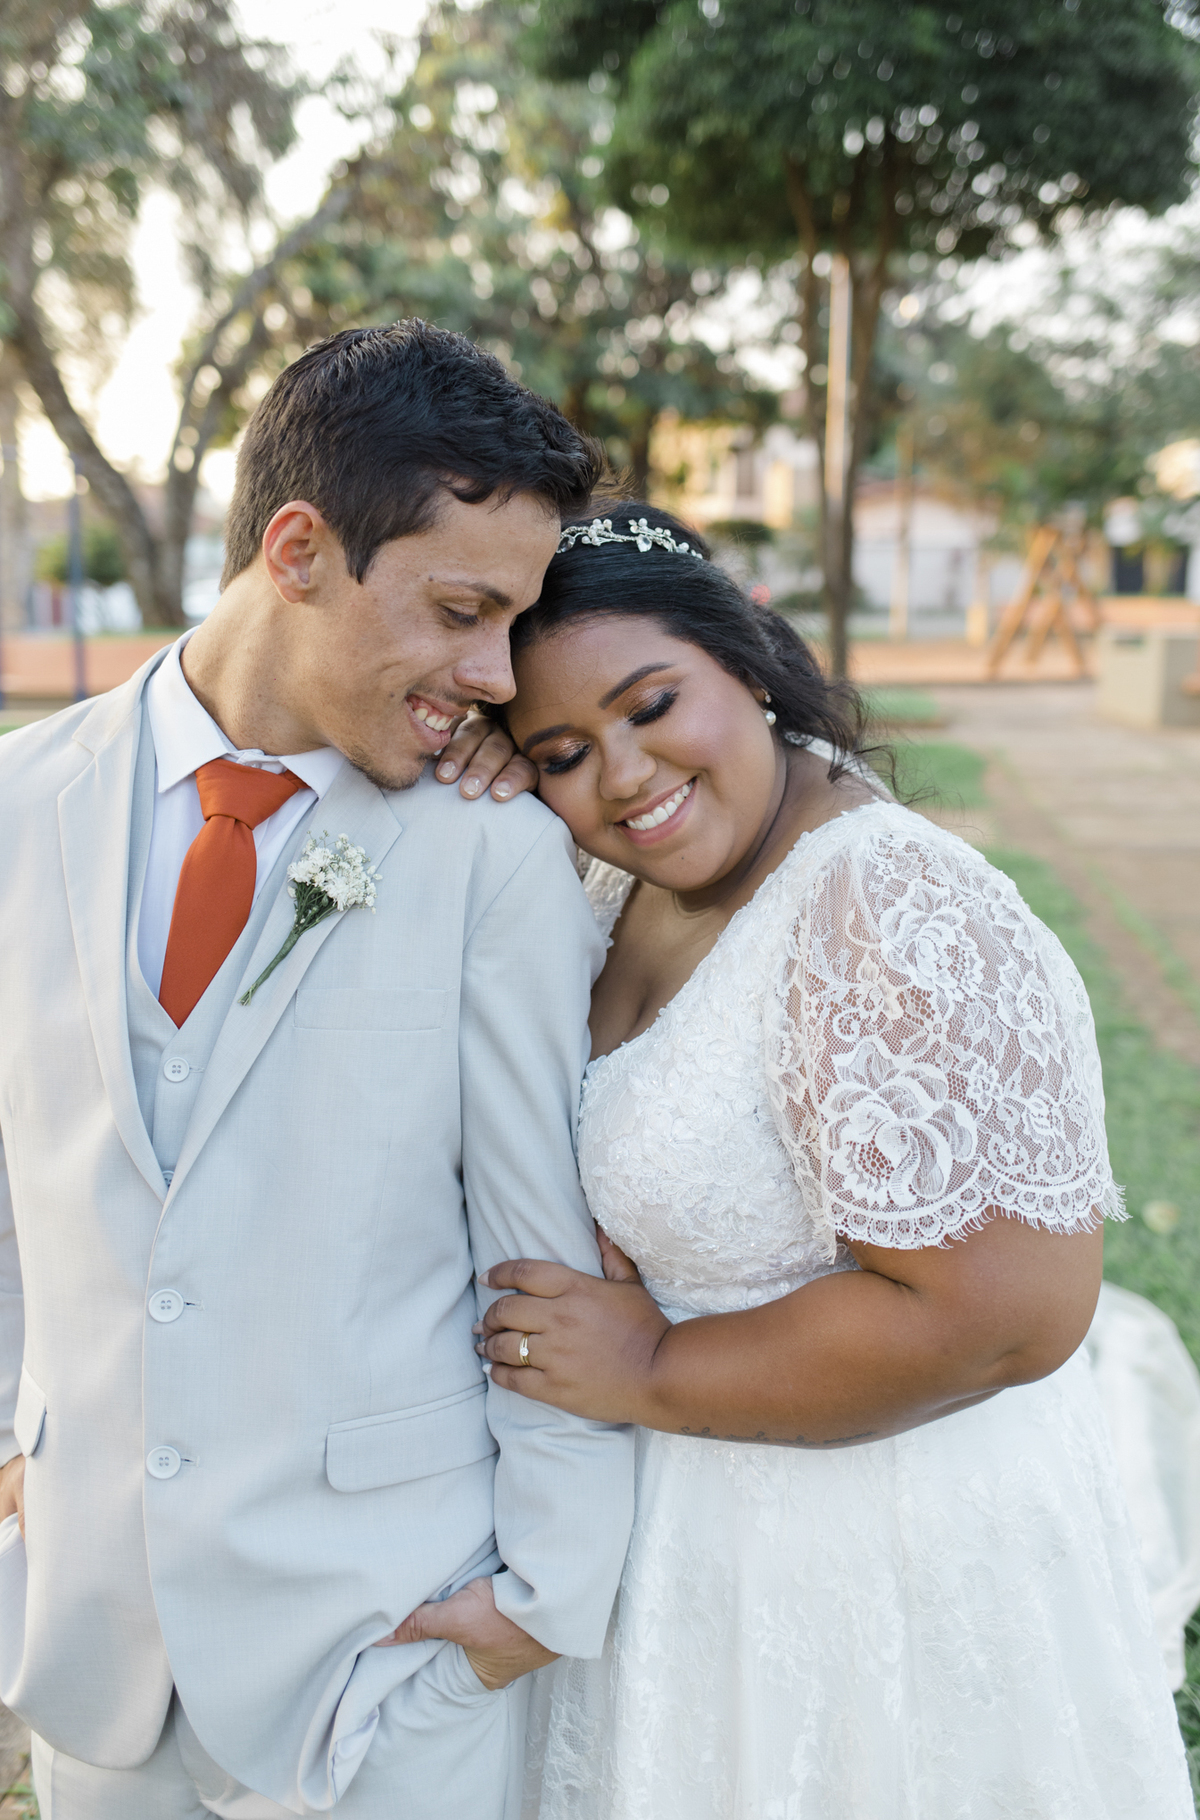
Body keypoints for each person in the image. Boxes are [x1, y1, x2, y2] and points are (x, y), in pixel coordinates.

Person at [0, 324, 634, 1820]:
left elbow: (535, 1240)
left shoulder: (492, 856)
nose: (492, 677)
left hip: (390, 1643)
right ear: (297, 549)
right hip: (99, 1647)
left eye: (512, 624)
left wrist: (542, 1593)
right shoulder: (18, 806)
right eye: (461, 611)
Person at [475, 506, 1194, 1819]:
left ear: (747, 661)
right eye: (564, 753)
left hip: (879, 1565)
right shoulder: (614, 884)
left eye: (653, 705)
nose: (625, 776)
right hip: (696, 1548)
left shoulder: (884, 901)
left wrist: (645, 1364)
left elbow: (1004, 1317)